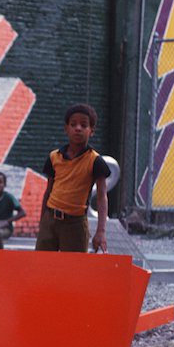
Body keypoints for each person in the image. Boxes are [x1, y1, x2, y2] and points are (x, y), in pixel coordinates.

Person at [35, 103, 111, 254]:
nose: (78, 128)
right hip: (50, 219)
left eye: (84, 125)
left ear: (92, 131)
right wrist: (42, 221)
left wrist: (101, 231)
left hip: (75, 224)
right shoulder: (54, 157)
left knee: (73, 271)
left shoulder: (95, 161)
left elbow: (102, 197)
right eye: (73, 124)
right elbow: (48, 190)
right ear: (66, 129)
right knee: (43, 267)